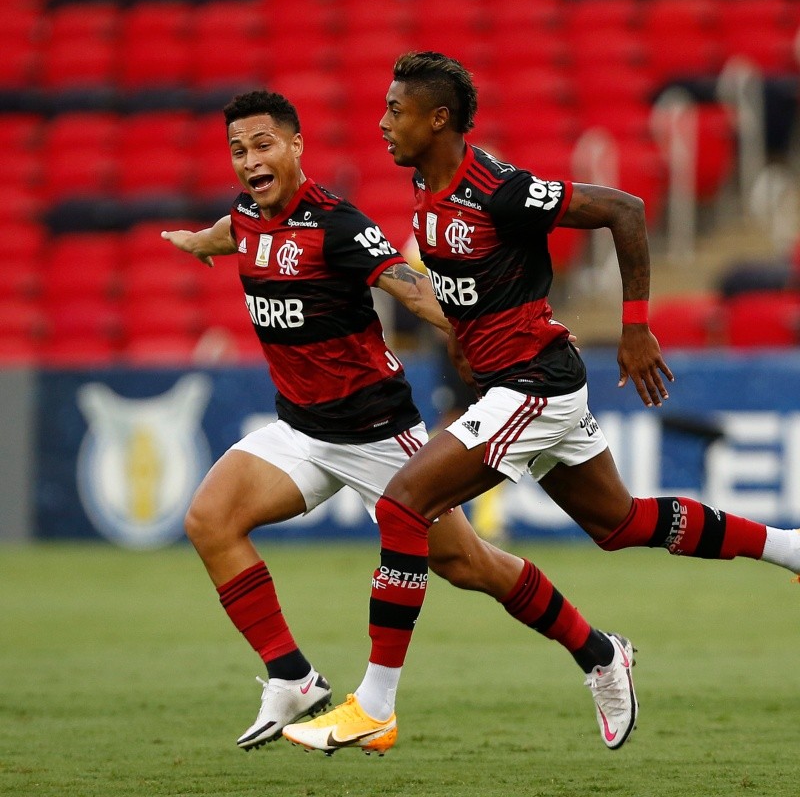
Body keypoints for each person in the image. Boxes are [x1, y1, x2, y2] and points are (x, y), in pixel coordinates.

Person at [282, 51, 800, 755]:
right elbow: (477, 285)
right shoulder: (424, 189)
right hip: (516, 381)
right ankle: (779, 552)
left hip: (535, 383)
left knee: (402, 506)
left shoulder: (497, 188)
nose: (382, 122)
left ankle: (374, 703)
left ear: (439, 120)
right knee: (618, 523)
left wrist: (637, 326)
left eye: (395, 110)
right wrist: (464, 341)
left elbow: (625, 209)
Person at [161, 89, 640, 754]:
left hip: (377, 433)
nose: (250, 161)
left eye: (263, 144)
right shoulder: (247, 216)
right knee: (209, 519)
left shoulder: (338, 225)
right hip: (301, 429)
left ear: (296, 147)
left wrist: (469, 326)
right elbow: (230, 230)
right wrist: (196, 242)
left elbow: (408, 284)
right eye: (238, 150)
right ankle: (292, 676)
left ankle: (597, 652)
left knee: (471, 566)